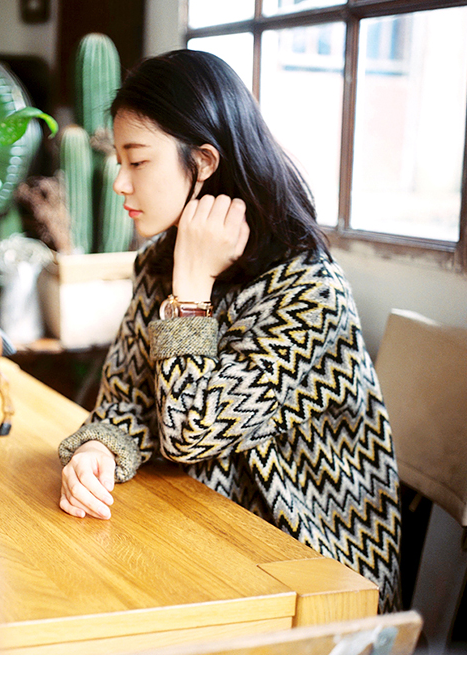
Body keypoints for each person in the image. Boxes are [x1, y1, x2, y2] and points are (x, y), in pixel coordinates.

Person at [58, 49, 402, 614]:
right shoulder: (158, 262)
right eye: (117, 160)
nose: (120, 182)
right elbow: (126, 402)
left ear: (206, 161)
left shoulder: (307, 289)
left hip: (307, 567)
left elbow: (194, 430)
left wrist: (191, 293)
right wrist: (98, 448)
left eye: (137, 161)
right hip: (203, 530)